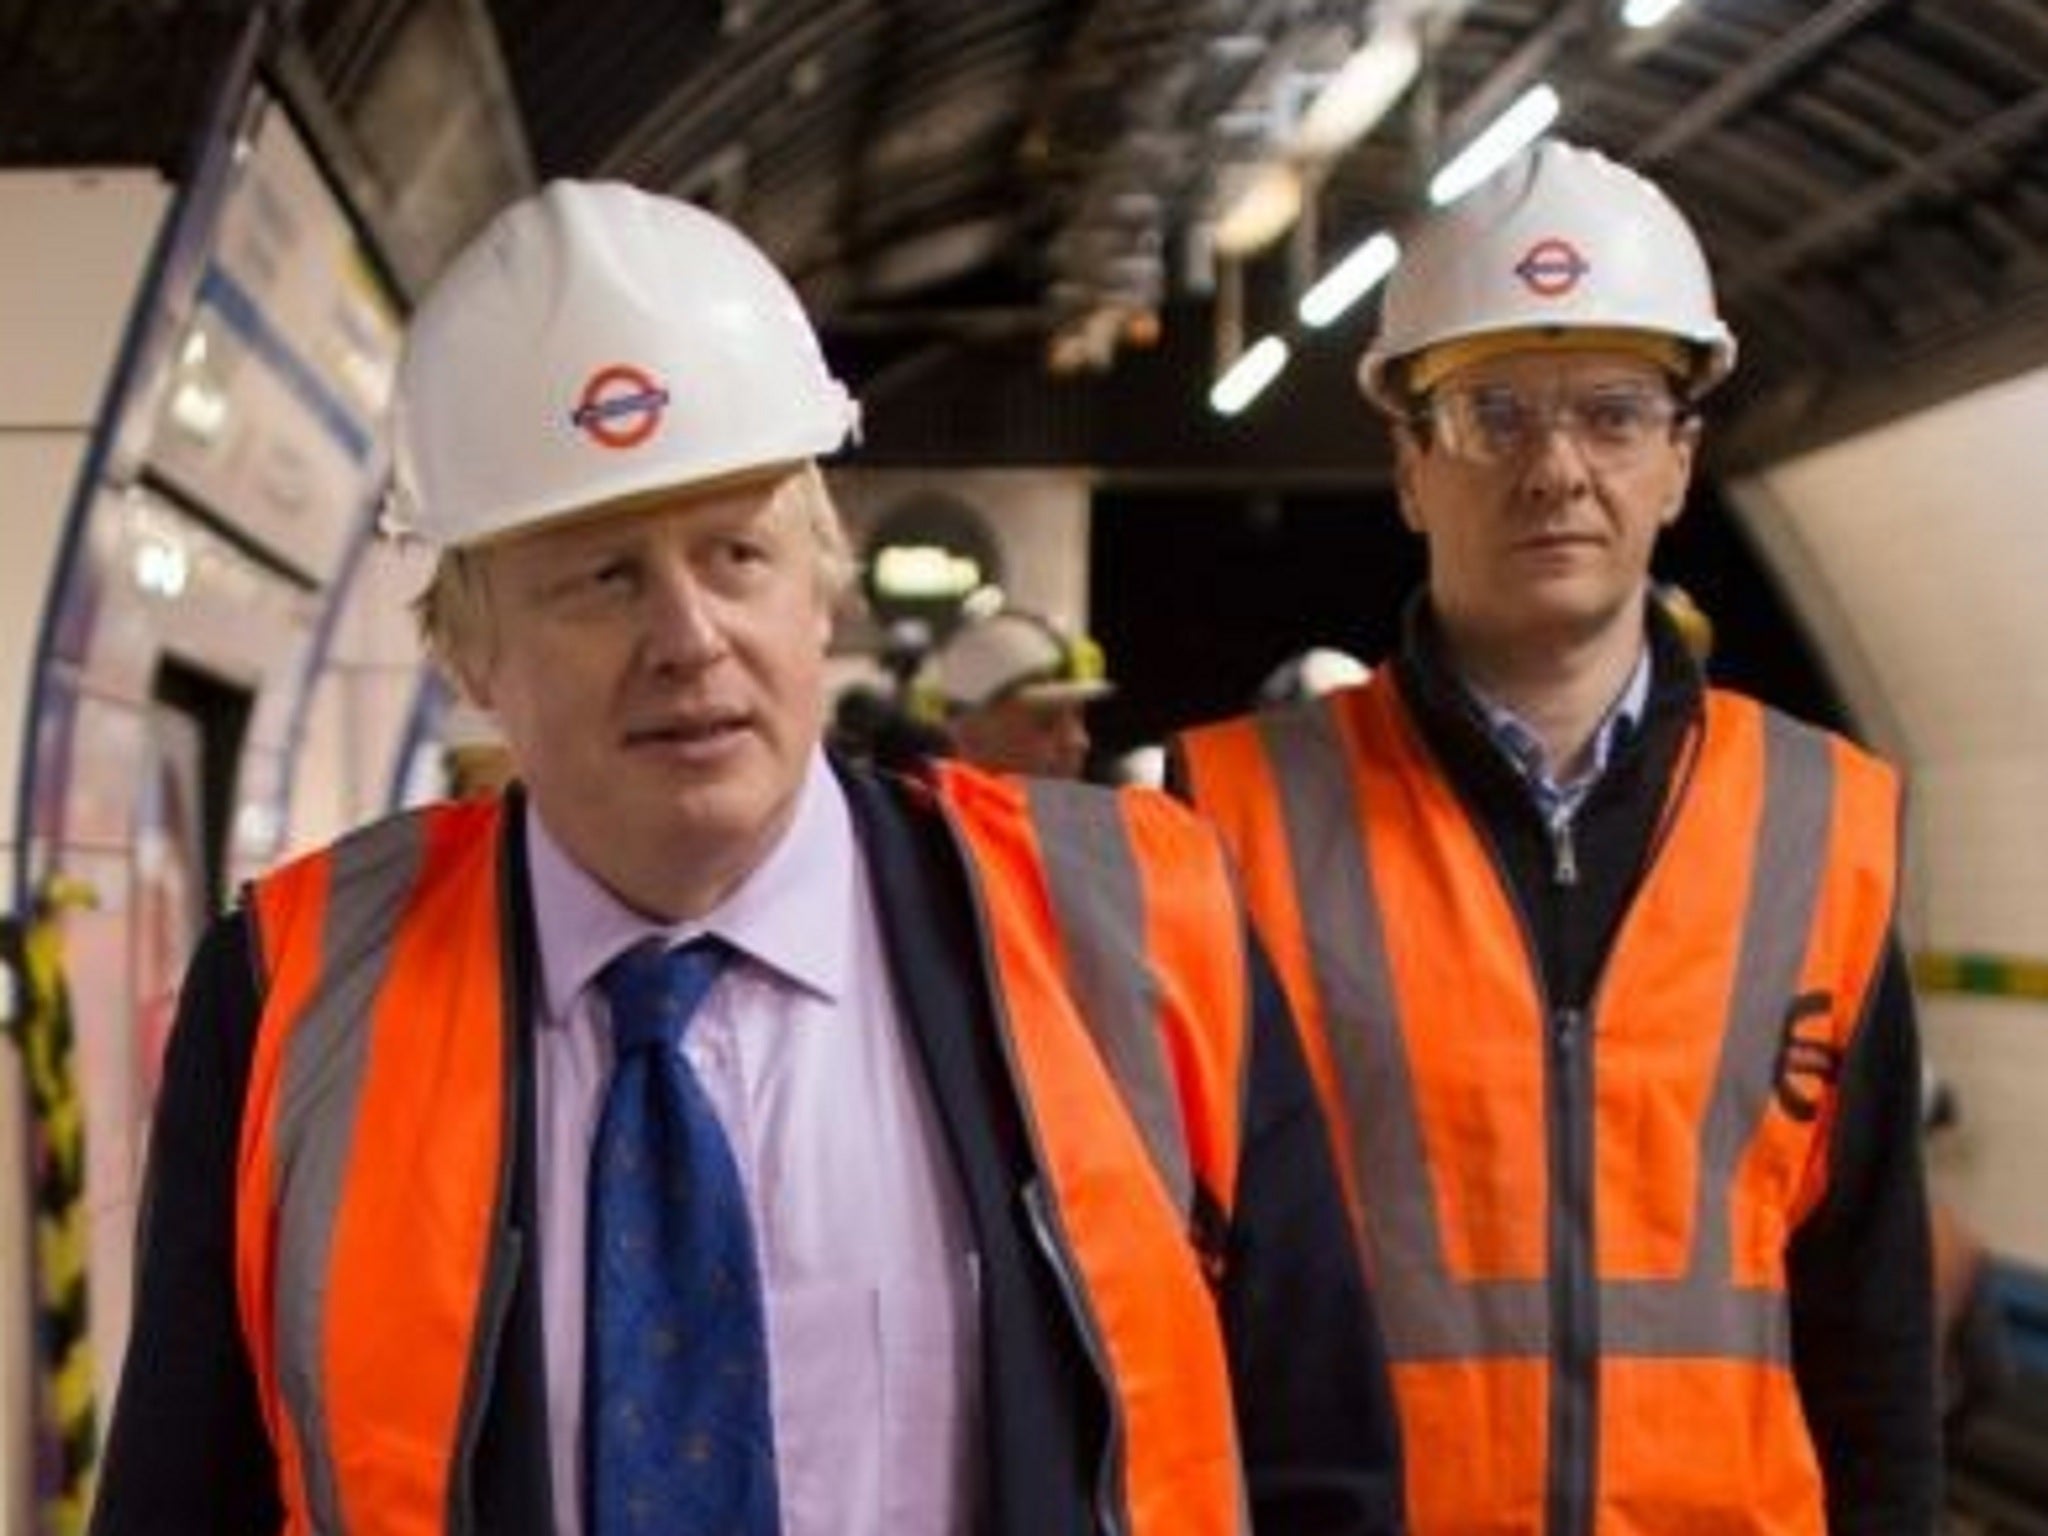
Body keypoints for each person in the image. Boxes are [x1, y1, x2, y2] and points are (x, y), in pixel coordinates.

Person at [91, 180, 1401, 1536]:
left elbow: (1323, 1472)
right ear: (466, 649)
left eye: (737, 554)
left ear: (821, 584)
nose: (689, 637)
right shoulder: (292, 1002)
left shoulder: (1135, 928)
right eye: (602, 576)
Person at [1172, 139, 1935, 1534]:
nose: (1557, 469)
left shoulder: (1824, 822)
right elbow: (1154, 1295)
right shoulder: (1223, 819)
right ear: (1409, 466)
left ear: (1679, 463)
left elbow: (1869, 1317)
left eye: (1614, 413)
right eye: (1493, 414)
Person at [928, 606, 1114, 778]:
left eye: (1078, 717)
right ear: (968, 735)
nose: (1078, 741)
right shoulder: (913, 809)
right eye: (1046, 723)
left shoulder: (1080, 810)